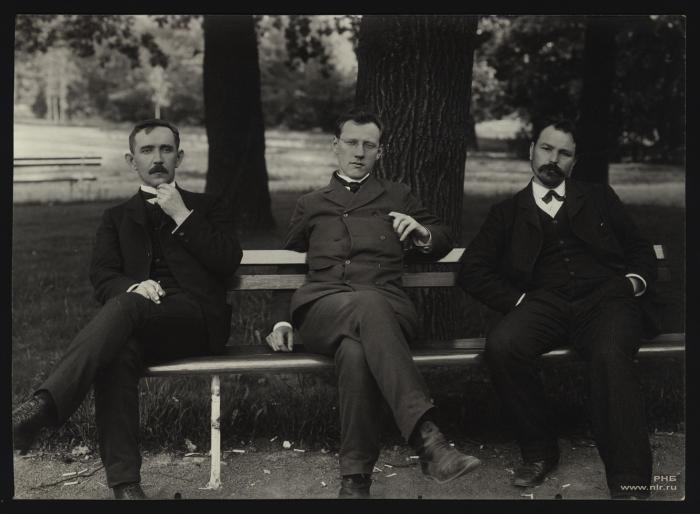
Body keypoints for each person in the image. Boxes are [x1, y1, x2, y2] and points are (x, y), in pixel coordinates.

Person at [12, 119, 242, 500]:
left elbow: (228, 260)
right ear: (131, 161)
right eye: (147, 150)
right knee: (116, 354)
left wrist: (182, 215)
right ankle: (126, 487)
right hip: (143, 326)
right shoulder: (116, 218)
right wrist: (132, 287)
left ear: (180, 156)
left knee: (127, 316)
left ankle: (44, 408)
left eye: (166, 149)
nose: (157, 158)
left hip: (198, 322)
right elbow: (103, 277)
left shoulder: (208, 206)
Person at [265, 109, 480, 498]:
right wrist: (281, 320)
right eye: (351, 142)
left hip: (388, 311)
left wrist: (423, 233)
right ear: (335, 146)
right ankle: (427, 439)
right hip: (324, 309)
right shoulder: (311, 202)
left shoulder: (398, 195)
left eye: (369, 145)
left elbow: (444, 236)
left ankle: (354, 481)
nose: (359, 152)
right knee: (365, 305)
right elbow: (288, 265)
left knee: (356, 350)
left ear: (380, 152)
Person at [458, 119, 659, 499]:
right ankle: (539, 451)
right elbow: (471, 268)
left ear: (574, 161)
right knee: (503, 346)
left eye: (564, 153)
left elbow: (639, 248)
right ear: (531, 151)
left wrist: (632, 283)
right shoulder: (507, 212)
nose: (554, 159)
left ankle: (630, 483)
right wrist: (518, 301)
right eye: (547, 149)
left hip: (606, 300)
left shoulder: (599, 197)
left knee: (610, 356)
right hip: (544, 302)